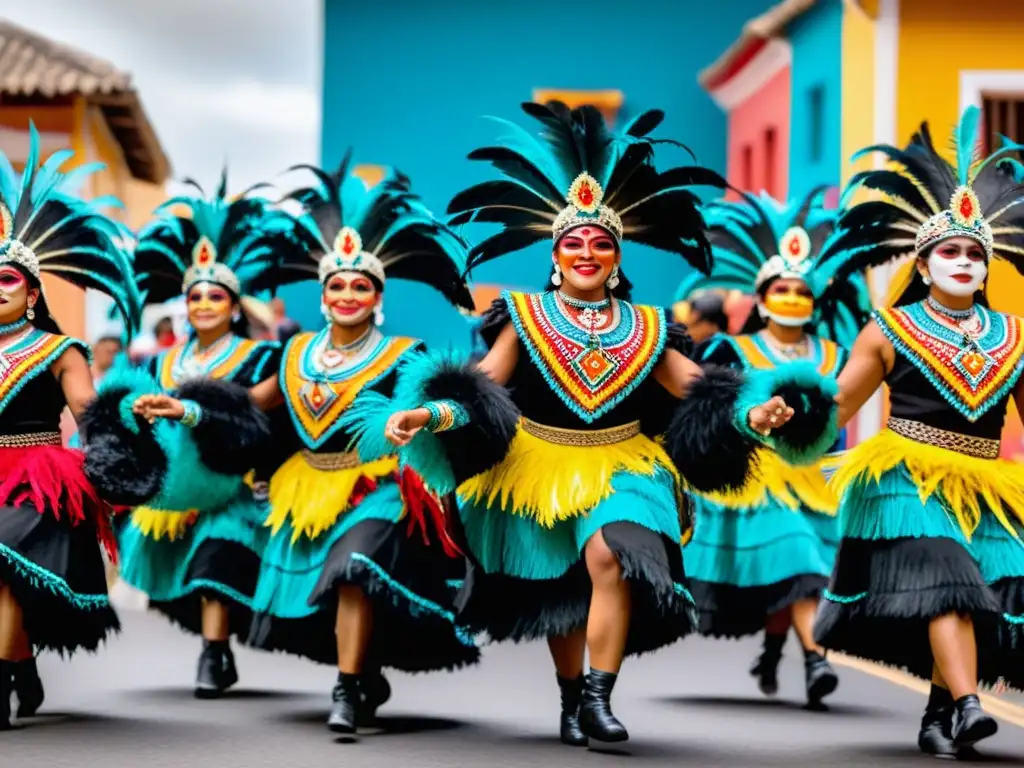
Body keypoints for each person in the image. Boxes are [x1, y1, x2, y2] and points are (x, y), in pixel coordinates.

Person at [359, 102, 840, 746]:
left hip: (625, 464)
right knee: (564, 586)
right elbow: (486, 388)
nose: (587, 250)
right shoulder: (525, 314)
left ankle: (598, 695)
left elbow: (695, 387)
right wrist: (428, 412)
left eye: (601, 242)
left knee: (611, 555)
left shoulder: (647, 325)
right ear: (556, 254)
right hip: (538, 466)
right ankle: (569, 697)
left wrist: (752, 414)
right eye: (573, 242)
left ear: (616, 256)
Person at [144, 156, 481, 737]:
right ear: (323, 296)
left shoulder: (403, 350)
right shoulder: (296, 352)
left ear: (376, 297)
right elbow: (256, 402)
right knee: (328, 589)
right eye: (337, 285)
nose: (347, 294)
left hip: (376, 485)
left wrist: (426, 416)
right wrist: (189, 408)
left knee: (354, 568)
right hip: (306, 486)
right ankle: (364, 671)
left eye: (360, 286)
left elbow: (452, 400)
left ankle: (347, 691)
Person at [812, 106, 1024, 756]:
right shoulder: (888, 329)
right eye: (948, 252)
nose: (962, 261)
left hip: (987, 483)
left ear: (987, 268)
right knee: (947, 578)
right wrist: (783, 416)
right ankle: (966, 704)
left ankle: (937, 716)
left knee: (986, 593)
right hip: (905, 478)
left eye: (972, 253)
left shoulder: (1013, 336)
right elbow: (839, 406)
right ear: (924, 265)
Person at [90, 171, 284, 698]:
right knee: (185, 568)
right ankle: (213, 643)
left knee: (217, 553)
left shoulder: (260, 356)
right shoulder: (159, 361)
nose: (203, 304)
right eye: (194, 296)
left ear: (233, 306)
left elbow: (256, 415)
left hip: (232, 487)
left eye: (214, 297)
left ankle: (214, 653)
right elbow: (124, 413)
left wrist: (193, 410)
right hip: (174, 491)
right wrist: (138, 413)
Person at [679, 188, 870, 706]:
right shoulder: (733, 350)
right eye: (781, 288)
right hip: (760, 478)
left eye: (802, 290)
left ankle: (773, 649)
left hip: (819, 479)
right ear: (761, 298)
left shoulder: (838, 353)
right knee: (797, 552)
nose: (792, 298)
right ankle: (815, 661)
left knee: (803, 570)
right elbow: (711, 410)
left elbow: (843, 421)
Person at [0, 125, 144, 729]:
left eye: (6, 279)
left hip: (37, 472)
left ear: (32, 292)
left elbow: (86, 409)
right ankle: (20, 664)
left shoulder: (61, 347)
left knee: (4, 555)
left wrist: (123, 436)